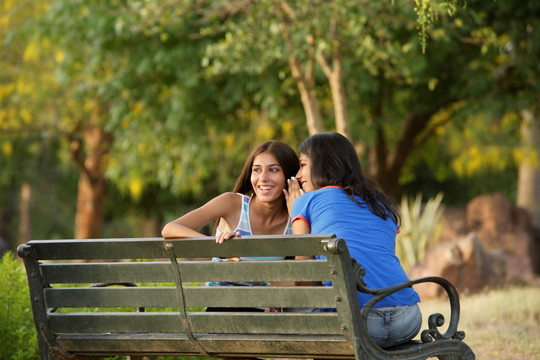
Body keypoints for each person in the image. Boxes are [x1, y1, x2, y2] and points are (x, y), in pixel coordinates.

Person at [284, 131, 422, 348]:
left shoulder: (306, 201)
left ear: (324, 165)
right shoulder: (382, 203)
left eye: (302, 165)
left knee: (295, 308)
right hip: (407, 318)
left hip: (359, 324)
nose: (298, 175)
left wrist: (295, 213)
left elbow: (305, 277)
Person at [162, 140, 300, 310]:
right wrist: (220, 247)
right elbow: (169, 229)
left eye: (273, 170)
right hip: (222, 309)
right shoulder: (232, 204)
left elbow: (300, 283)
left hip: (262, 313)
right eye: (257, 170)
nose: (263, 178)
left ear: (290, 177)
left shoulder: (295, 220)